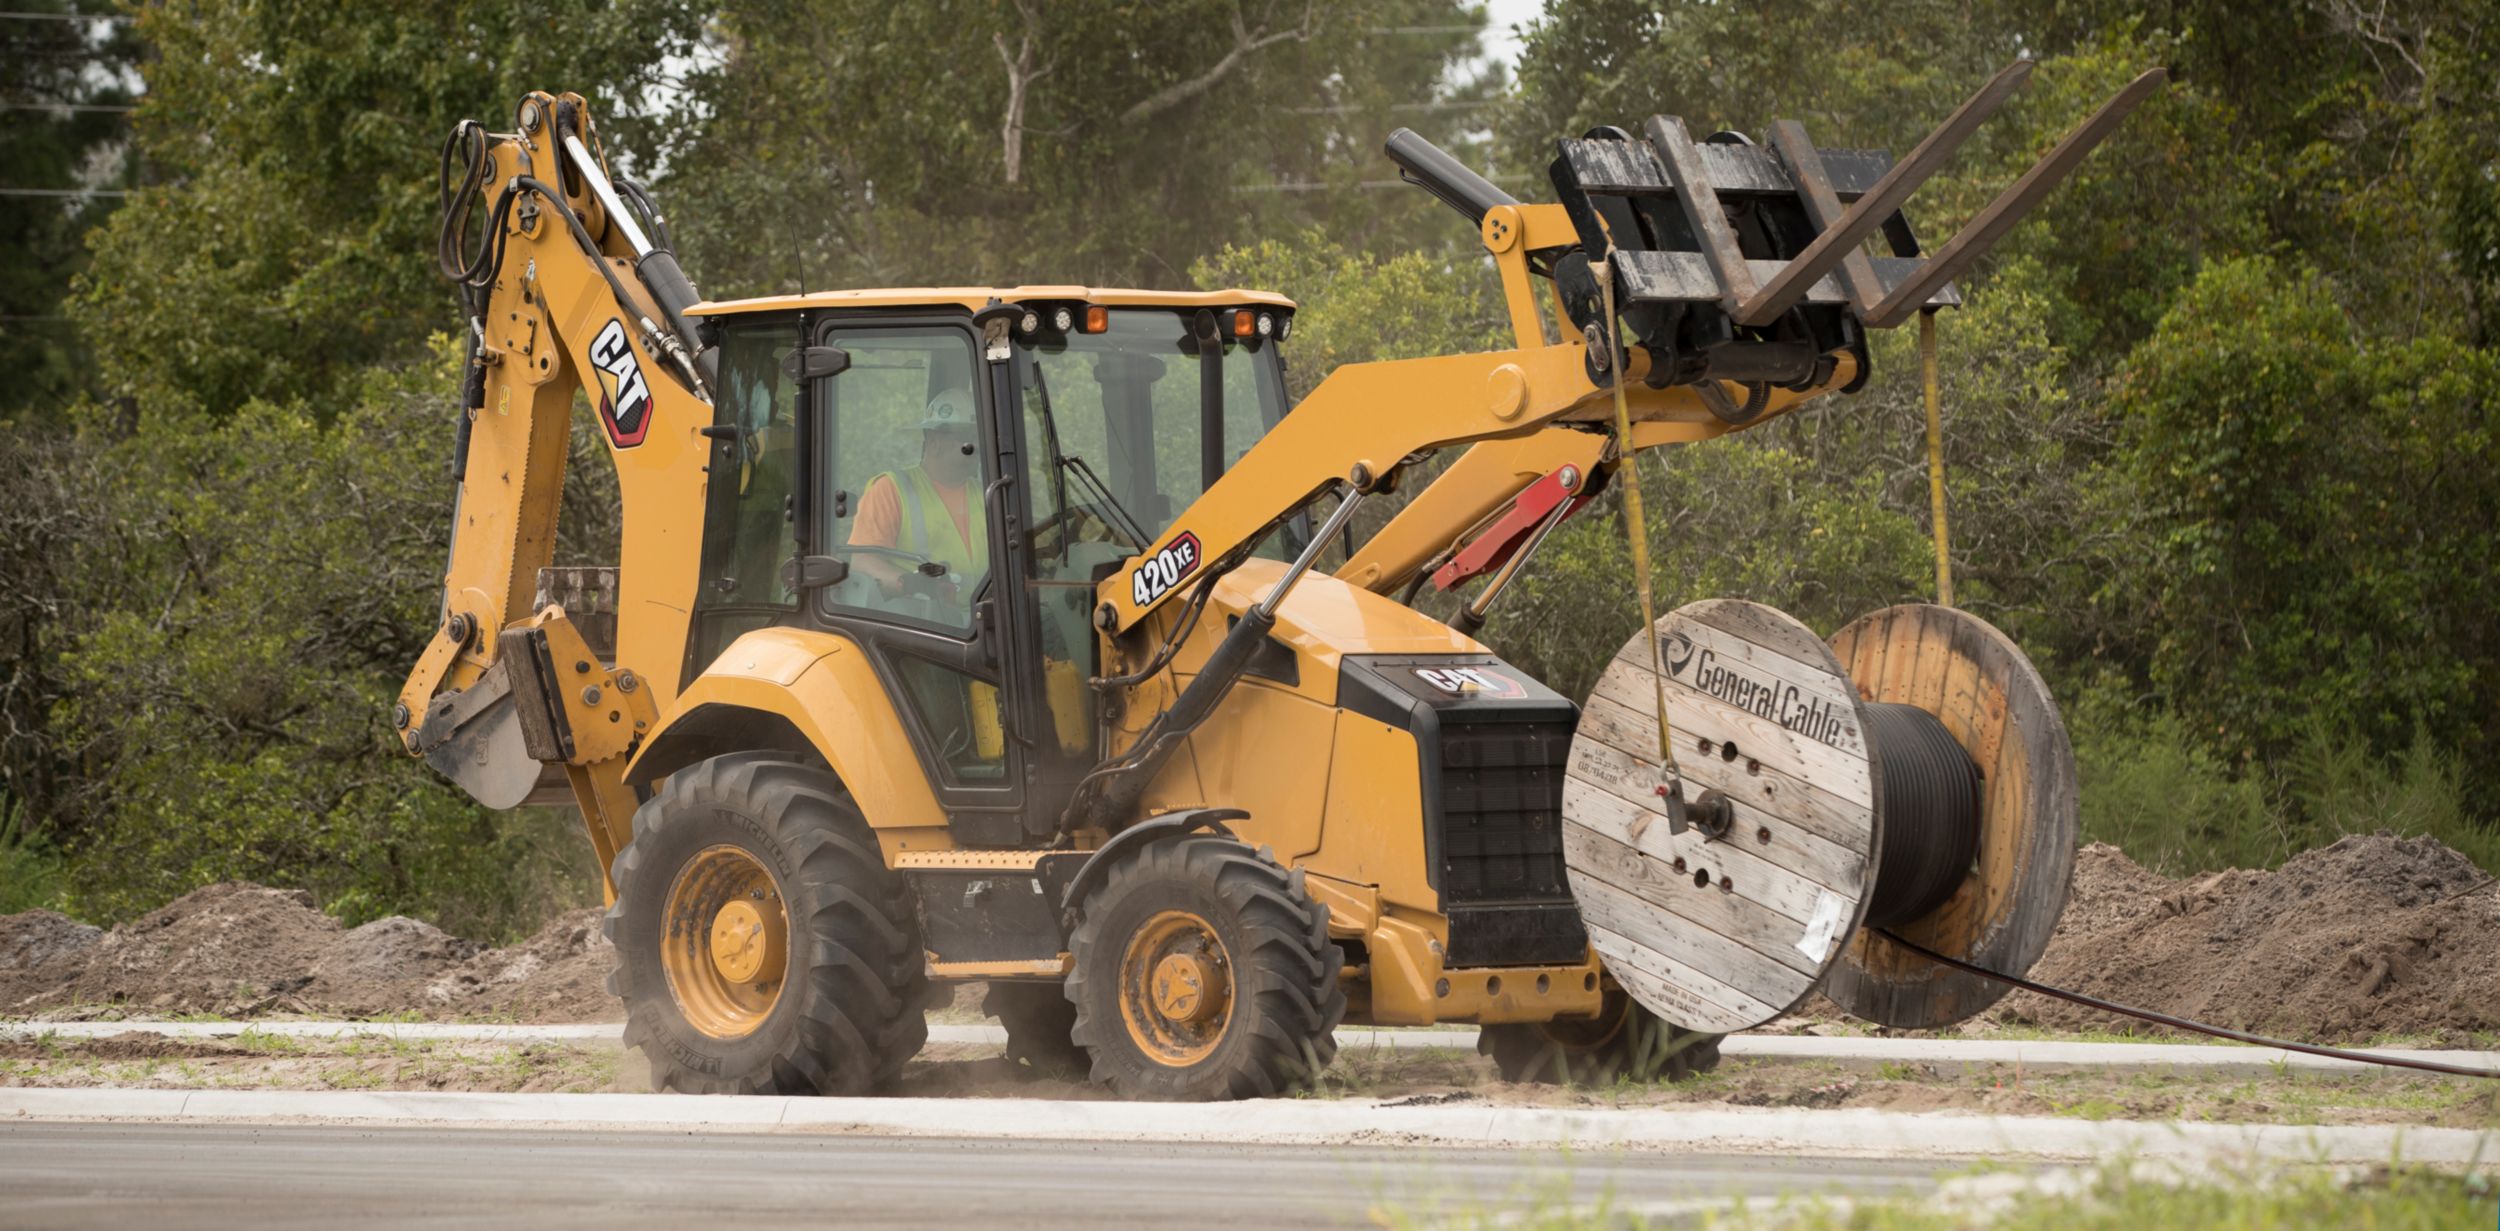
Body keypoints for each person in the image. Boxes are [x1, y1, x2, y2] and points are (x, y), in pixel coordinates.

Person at [848, 388, 986, 607]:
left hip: (980, 622)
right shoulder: (891, 489)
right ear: (934, 440)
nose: (978, 447)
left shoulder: (987, 494)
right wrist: (908, 582)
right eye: (968, 438)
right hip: (919, 626)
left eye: (980, 437)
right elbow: (863, 560)